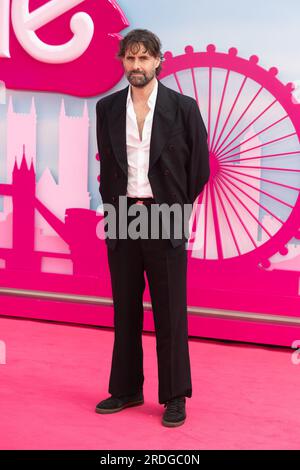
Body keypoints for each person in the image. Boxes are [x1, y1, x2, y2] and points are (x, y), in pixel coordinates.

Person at [95, 29, 210, 427]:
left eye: (144, 58)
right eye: (130, 59)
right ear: (122, 62)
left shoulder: (183, 108)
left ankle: (175, 396)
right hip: (123, 215)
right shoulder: (107, 108)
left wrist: (176, 207)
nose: (137, 66)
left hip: (166, 215)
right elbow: (107, 165)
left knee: (170, 311)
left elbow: (199, 169)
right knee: (125, 307)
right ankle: (126, 389)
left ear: (159, 60)